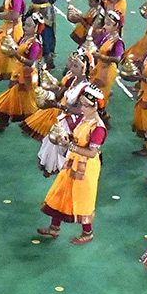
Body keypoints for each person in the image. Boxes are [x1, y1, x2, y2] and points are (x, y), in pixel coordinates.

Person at [39, 84, 106, 243]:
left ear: (94, 107)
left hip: (86, 167)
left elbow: (91, 153)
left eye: (85, 105)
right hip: (73, 161)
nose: (81, 108)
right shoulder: (85, 119)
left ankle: (87, 233)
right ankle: (54, 228)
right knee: (62, 191)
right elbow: (76, 137)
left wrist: (70, 146)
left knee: (82, 198)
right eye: (81, 104)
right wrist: (66, 138)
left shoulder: (98, 128)